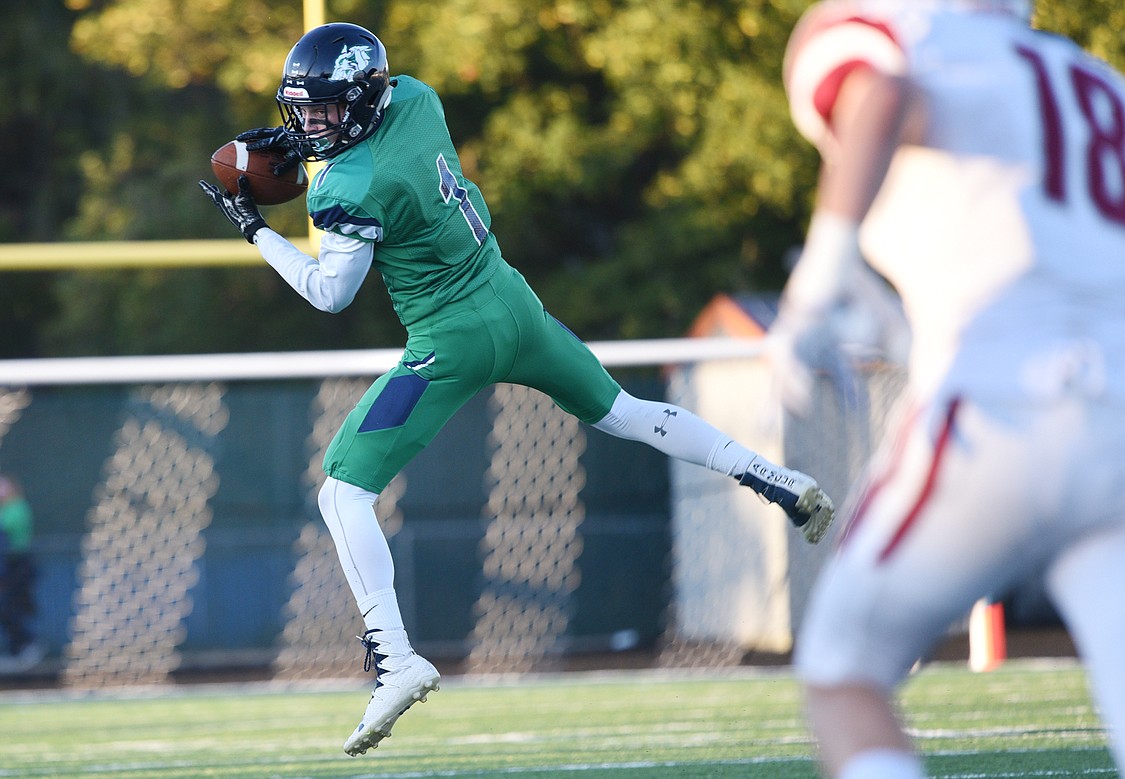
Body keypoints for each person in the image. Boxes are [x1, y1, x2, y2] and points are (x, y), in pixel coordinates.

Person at [199, 22, 836, 757]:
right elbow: (375, 156)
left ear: (362, 102)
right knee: (626, 412)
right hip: (513, 301)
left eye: (324, 112)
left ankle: (395, 658)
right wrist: (317, 156)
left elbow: (327, 292)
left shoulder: (344, 186)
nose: (310, 128)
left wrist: (255, 228)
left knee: (341, 492)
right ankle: (772, 475)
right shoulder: (416, 98)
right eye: (303, 112)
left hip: (450, 339)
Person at [773, 1, 1125, 778]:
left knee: (842, 667)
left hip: (1000, 402)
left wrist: (821, 272)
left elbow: (881, 99)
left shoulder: (902, 38)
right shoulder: (1105, 87)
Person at [0, 474, 41, 672]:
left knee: (12, 607)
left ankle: (27, 648)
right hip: (9, 566)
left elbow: (6, 530)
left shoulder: (16, 508)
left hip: (17, 567)